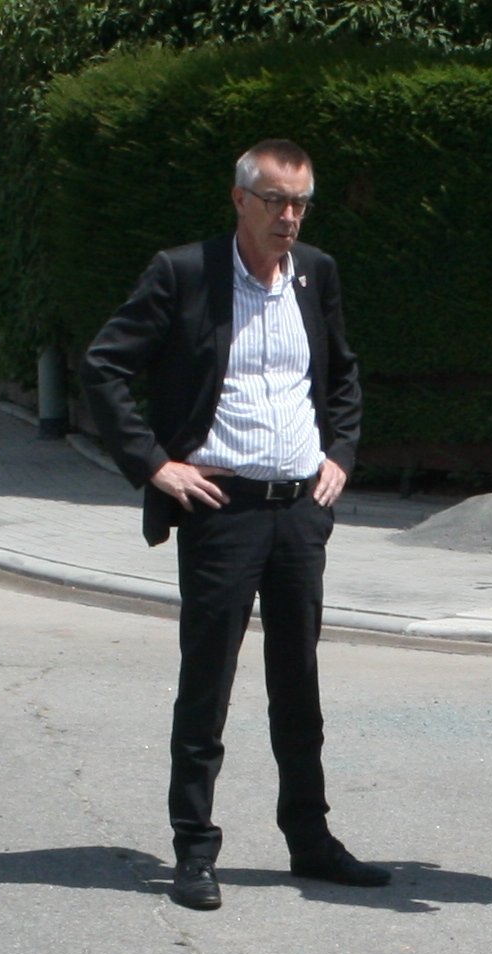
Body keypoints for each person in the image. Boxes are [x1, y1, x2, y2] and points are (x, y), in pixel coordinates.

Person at [77, 138, 386, 912]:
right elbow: (104, 366)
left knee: (298, 682)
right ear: (240, 198)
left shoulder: (315, 274)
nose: (290, 216)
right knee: (207, 680)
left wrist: (339, 454)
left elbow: (341, 372)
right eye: (277, 200)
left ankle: (309, 838)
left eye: (301, 203)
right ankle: (194, 848)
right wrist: (155, 464)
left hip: (300, 511)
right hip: (223, 509)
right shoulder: (184, 273)